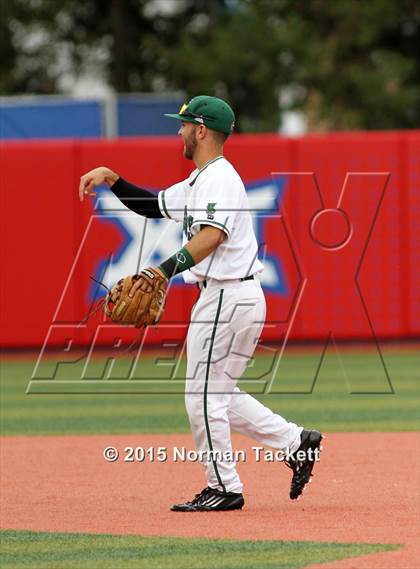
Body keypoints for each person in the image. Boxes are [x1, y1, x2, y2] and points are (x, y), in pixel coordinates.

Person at [79, 95, 322, 512]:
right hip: (233, 296)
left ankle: (224, 487)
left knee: (201, 396)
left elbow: (212, 236)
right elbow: (151, 206)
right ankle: (296, 442)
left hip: (227, 295)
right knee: (219, 394)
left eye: (184, 124)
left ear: (202, 130)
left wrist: (162, 270)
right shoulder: (199, 180)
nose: (179, 131)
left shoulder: (219, 179)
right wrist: (112, 178)